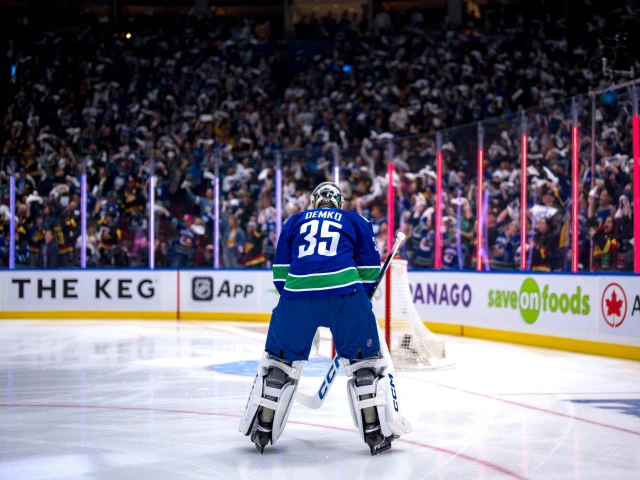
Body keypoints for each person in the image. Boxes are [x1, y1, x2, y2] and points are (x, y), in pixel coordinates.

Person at [239, 182, 412, 455]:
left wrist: (298, 305)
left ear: (314, 200)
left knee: (279, 363)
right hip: (345, 296)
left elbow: (281, 275)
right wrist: (357, 302)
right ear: (339, 201)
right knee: (365, 363)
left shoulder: (294, 220)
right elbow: (368, 271)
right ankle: (375, 432)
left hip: (296, 298)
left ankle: (263, 426)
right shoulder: (356, 219)